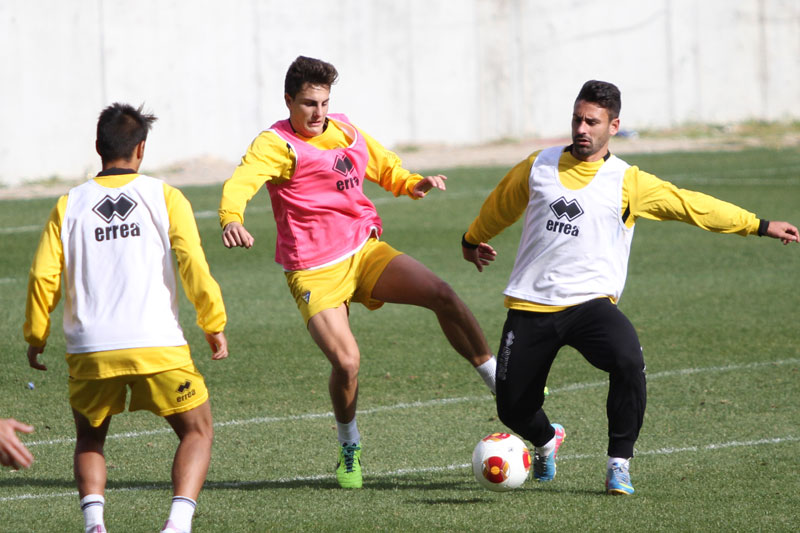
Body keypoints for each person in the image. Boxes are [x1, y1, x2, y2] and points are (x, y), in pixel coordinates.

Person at [461, 80, 798, 496]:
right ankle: (547, 439)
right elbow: (501, 204)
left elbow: (692, 206)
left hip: (589, 305)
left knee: (627, 360)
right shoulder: (538, 165)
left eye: (592, 121)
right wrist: (472, 240)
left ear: (613, 125)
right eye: (577, 119)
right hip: (531, 304)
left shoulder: (628, 182)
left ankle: (618, 462)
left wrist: (761, 226)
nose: (582, 129)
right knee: (512, 408)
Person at [219, 56, 497, 489]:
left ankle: (498, 381)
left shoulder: (345, 129)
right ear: (288, 100)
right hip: (314, 271)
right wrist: (231, 216)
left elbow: (385, 165)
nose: (319, 113)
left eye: (325, 102)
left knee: (441, 292)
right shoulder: (275, 144)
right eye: (310, 103)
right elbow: (242, 180)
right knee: (347, 362)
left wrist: (412, 183)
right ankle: (349, 445)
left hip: (363, 250)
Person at [23, 103, 229, 533]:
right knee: (198, 431)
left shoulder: (69, 204)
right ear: (141, 150)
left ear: (98, 147)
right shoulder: (164, 195)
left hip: (90, 349)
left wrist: (36, 334)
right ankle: (177, 524)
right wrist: (213, 321)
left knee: (90, 437)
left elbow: (44, 275)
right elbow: (192, 260)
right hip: (157, 343)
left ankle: (95, 524)